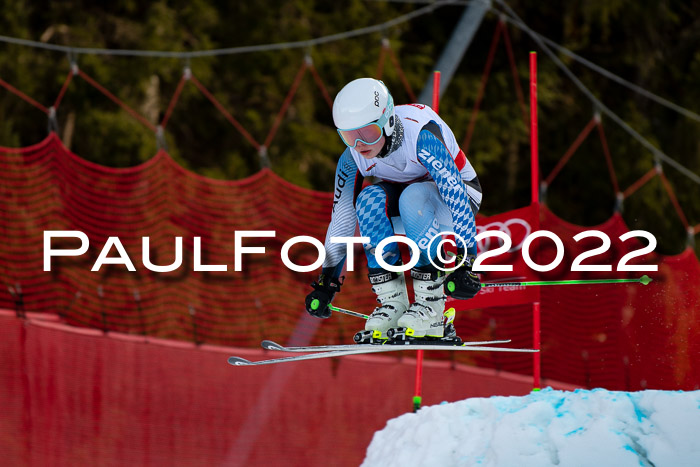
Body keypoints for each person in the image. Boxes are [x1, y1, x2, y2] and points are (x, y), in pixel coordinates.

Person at [305, 78, 482, 342]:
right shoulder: (351, 157)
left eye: (367, 133)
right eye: (348, 136)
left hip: (459, 199)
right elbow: (341, 220)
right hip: (410, 205)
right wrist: (326, 280)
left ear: (388, 121)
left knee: (413, 196)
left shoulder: (420, 135)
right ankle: (393, 303)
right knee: (367, 201)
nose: (359, 145)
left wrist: (466, 260)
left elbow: (454, 193)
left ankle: (431, 306)